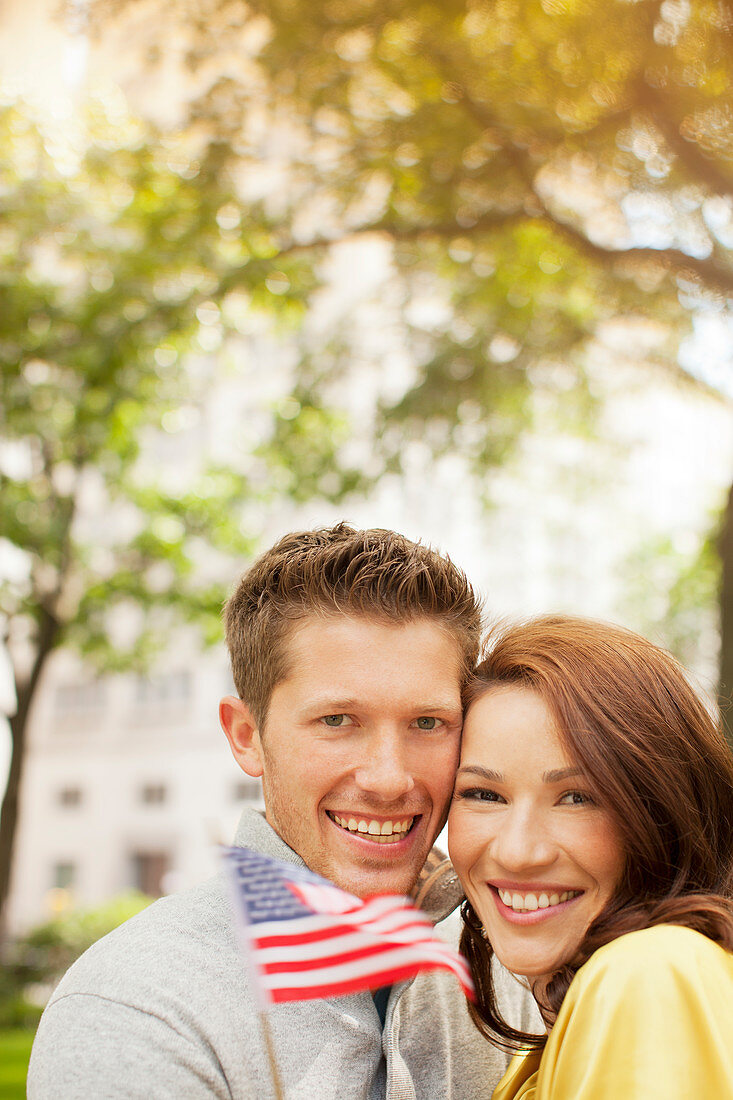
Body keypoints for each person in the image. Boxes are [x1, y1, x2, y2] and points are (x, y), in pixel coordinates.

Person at [28, 523, 538, 1099]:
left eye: (428, 723)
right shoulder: (136, 1009)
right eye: (337, 721)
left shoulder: (507, 979)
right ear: (246, 735)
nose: (389, 779)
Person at [448, 614, 733, 1100]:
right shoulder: (574, 1014)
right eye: (484, 794)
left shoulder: (647, 975)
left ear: (663, 811)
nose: (518, 853)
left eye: (577, 798)